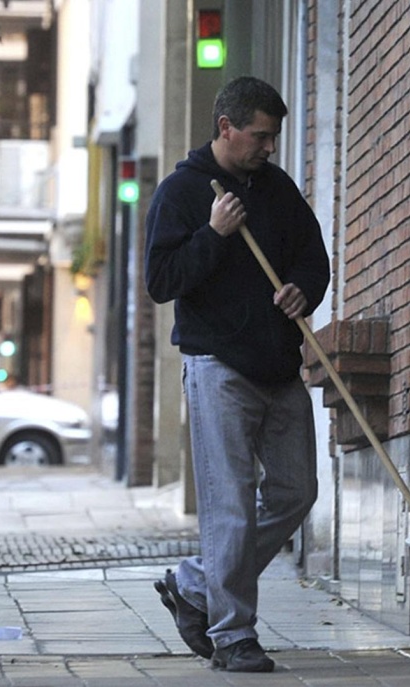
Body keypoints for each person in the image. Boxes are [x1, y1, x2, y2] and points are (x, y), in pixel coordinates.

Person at [144, 76, 330, 673]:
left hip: (279, 364)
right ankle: (233, 636)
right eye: (260, 135)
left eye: (272, 136)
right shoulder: (181, 192)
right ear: (226, 128)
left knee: (297, 491)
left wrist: (306, 290)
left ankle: (195, 583)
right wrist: (214, 234)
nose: (268, 147)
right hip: (216, 365)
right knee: (229, 505)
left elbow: (312, 254)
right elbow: (163, 281)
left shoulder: (276, 189)